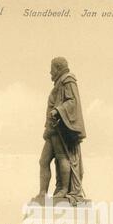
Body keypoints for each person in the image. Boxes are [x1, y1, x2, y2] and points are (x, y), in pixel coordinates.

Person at [36, 57, 86, 205]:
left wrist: (58, 110)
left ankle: (64, 189)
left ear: (58, 68)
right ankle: (43, 192)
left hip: (61, 127)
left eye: (52, 68)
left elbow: (72, 102)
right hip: (52, 128)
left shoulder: (68, 80)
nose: (50, 72)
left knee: (61, 157)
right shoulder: (59, 82)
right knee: (43, 161)